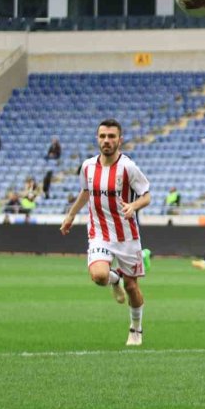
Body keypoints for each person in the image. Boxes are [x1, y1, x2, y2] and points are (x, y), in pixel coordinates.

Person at [60, 119, 152, 347]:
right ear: (97, 139)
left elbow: (146, 195)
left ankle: (136, 329)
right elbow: (85, 192)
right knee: (99, 275)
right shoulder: (88, 166)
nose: (107, 141)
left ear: (120, 140)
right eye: (102, 136)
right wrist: (71, 215)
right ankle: (114, 279)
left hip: (127, 236)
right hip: (99, 232)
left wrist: (134, 206)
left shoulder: (128, 167)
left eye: (111, 137)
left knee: (132, 287)